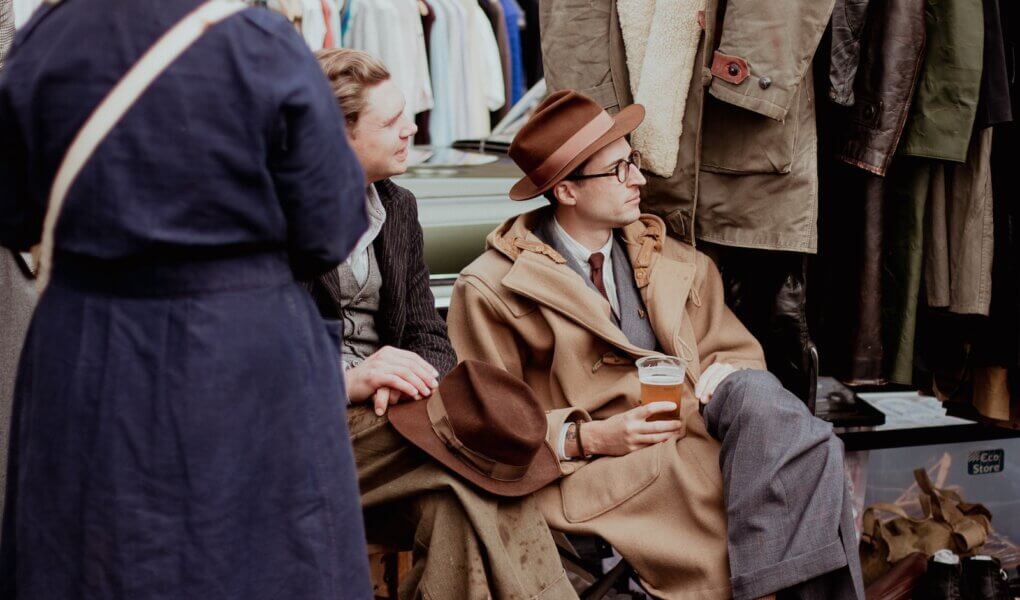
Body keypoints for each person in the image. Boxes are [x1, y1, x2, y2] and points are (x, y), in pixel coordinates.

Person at [0, 2, 372, 598]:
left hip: (88, 344)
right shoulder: (259, 39)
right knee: (264, 560)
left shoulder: (48, 35)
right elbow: (331, 225)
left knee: (89, 555)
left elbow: (13, 213)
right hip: (243, 349)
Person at [448, 90, 866, 600]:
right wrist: (593, 436)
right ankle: (769, 587)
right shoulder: (492, 289)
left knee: (805, 436)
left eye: (634, 161)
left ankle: (762, 586)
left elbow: (732, 349)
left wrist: (729, 370)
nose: (640, 180)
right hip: (600, 468)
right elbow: (488, 427)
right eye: (618, 169)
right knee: (790, 468)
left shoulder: (675, 261)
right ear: (566, 191)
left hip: (697, 430)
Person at [303, 48, 577, 599]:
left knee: (459, 503)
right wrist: (350, 380)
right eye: (389, 121)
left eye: (406, 113)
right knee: (491, 460)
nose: (411, 128)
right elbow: (246, 360)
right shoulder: (273, 218)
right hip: (305, 433)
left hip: (395, 426)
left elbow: (430, 334)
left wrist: (415, 380)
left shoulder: (396, 206)